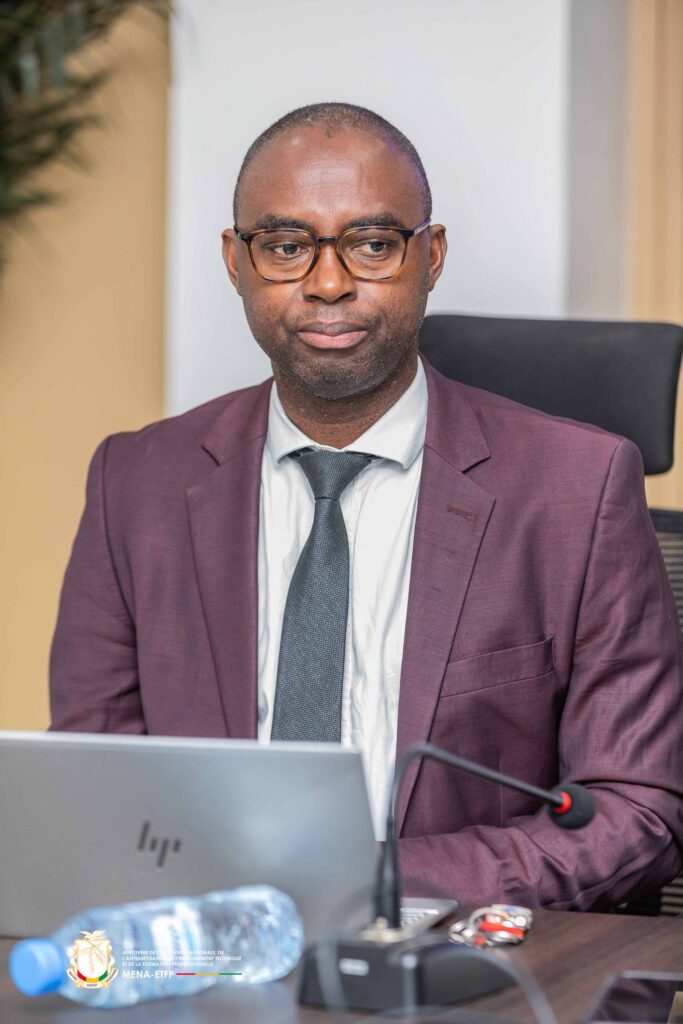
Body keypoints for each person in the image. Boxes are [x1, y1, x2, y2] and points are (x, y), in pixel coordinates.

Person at [49, 101, 683, 910]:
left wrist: (367, 881)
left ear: (431, 255)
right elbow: (95, 783)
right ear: (236, 262)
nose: (328, 283)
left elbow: (634, 810)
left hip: (457, 954)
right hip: (207, 950)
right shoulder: (135, 483)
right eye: (286, 246)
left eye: (373, 244)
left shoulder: (577, 489)